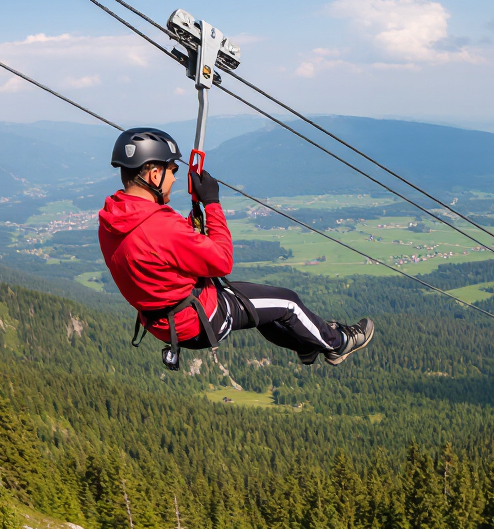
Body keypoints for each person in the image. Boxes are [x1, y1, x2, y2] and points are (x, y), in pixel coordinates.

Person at [98, 127, 373, 370]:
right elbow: (222, 261)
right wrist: (212, 204)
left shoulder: (113, 219)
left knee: (263, 308)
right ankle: (338, 344)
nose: (174, 178)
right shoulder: (159, 225)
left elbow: (157, 251)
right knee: (288, 302)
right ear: (154, 173)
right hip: (199, 319)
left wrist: (189, 226)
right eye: (173, 170)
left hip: (165, 319)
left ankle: (305, 344)